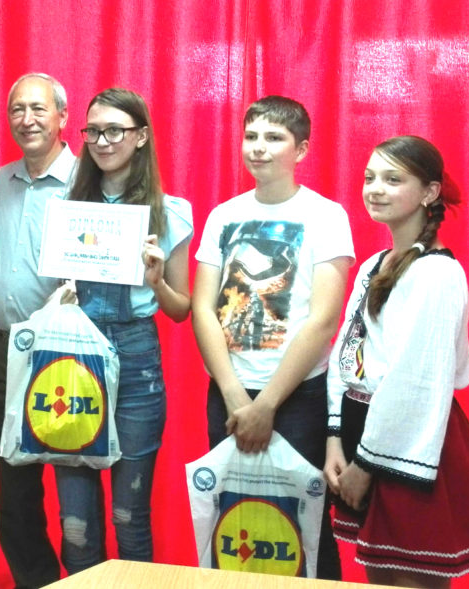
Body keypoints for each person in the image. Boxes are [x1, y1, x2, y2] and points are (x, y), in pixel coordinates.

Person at [324, 136, 469, 586]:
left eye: (393, 179)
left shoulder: (437, 274)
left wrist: (367, 464)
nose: (375, 189)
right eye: (369, 178)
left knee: (413, 575)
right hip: (365, 430)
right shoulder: (374, 264)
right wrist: (335, 438)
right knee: (380, 574)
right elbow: (348, 350)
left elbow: (416, 380)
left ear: (429, 192)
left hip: (408, 442)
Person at [191, 96, 353, 579]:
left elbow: (323, 320)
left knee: (305, 526)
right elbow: (203, 307)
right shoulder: (224, 215)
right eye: (251, 136)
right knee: (235, 519)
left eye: (274, 138)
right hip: (229, 394)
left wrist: (267, 405)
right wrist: (233, 392)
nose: (258, 147)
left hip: (298, 397)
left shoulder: (326, 215)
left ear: (300, 150)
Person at [54, 87, 193, 573]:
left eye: (115, 130)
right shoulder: (68, 204)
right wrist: (61, 294)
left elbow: (181, 309)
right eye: (93, 131)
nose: (102, 141)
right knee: (75, 523)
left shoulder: (171, 211)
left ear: (142, 136)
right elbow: (56, 283)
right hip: (72, 356)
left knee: (128, 516)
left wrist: (157, 281)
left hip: (136, 360)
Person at [0, 72, 74, 588]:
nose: (27, 119)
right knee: (13, 481)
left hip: (64, 351)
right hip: (3, 347)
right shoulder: (2, 179)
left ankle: (83, 579)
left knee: (75, 480)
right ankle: (35, 580)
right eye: (17, 109)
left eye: (39, 109)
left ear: (62, 116)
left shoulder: (87, 179)